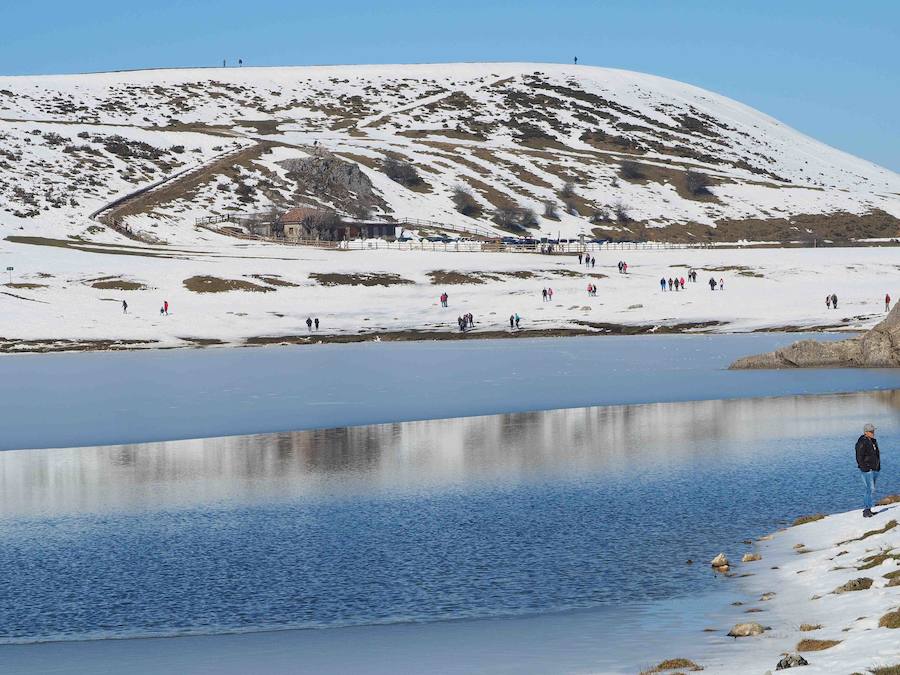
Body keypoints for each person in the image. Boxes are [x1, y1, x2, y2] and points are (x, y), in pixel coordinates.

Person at [856, 423, 881, 518]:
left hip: (875, 468)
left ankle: (868, 509)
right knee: (870, 489)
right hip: (867, 470)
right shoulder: (862, 442)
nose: (873, 432)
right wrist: (865, 468)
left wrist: (878, 467)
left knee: (870, 489)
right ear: (866, 432)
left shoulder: (873, 441)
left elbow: (876, 455)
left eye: (873, 431)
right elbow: (859, 457)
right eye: (871, 431)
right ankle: (866, 510)